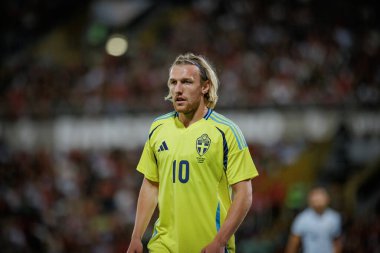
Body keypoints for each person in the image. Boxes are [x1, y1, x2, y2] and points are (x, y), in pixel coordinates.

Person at [126, 53, 259, 253]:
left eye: (187, 82)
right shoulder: (159, 127)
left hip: (209, 246)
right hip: (163, 246)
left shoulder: (226, 131)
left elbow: (244, 194)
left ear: (205, 87)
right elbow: (151, 184)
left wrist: (220, 241)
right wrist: (136, 236)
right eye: (173, 82)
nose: (177, 90)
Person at [285, 186, 342, 253]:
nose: (317, 199)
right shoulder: (302, 219)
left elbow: (336, 242)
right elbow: (293, 243)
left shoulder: (334, 217)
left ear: (327, 199)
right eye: (315, 196)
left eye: (320, 196)